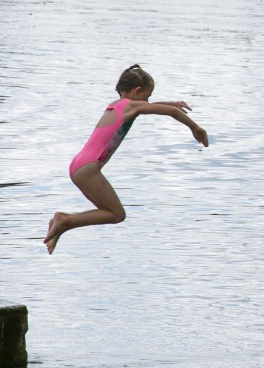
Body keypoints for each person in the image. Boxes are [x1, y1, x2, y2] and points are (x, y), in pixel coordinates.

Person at [45, 64, 209, 254]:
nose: (148, 101)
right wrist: (195, 128)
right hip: (88, 168)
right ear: (137, 91)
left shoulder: (116, 105)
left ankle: (59, 227)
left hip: (78, 165)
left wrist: (170, 103)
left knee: (107, 211)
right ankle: (64, 220)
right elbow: (170, 112)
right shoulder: (132, 106)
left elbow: (151, 106)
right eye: (148, 96)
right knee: (117, 214)